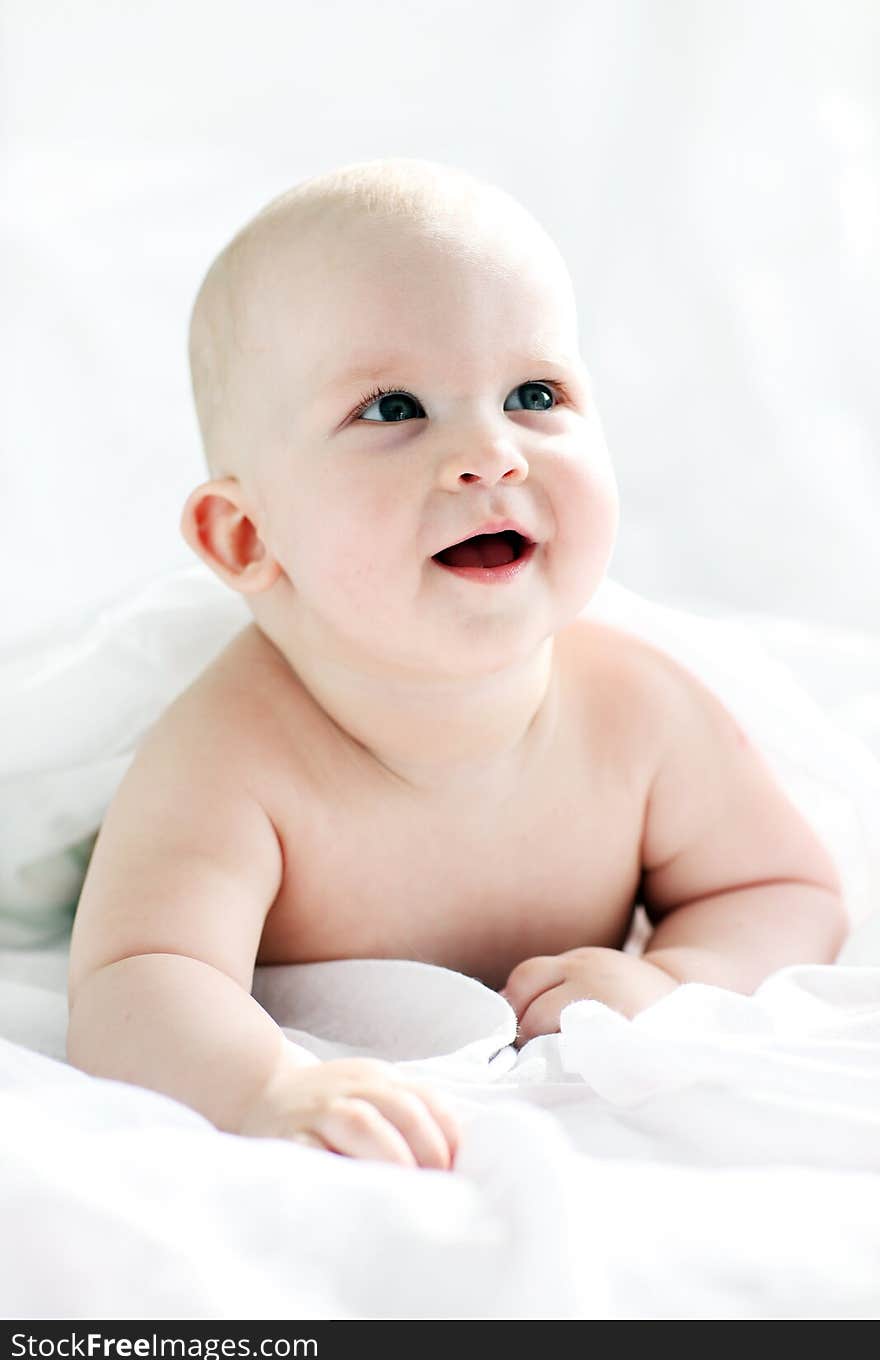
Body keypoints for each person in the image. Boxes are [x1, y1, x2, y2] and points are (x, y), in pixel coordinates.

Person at [66, 157, 847, 1170]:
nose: (491, 452)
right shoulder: (230, 760)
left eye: (533, 393)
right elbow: (140, 973)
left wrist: (679, 977)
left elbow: (784, 888)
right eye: (392, 408)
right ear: (247, 538)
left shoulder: (636, 709)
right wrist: (267, 1084)